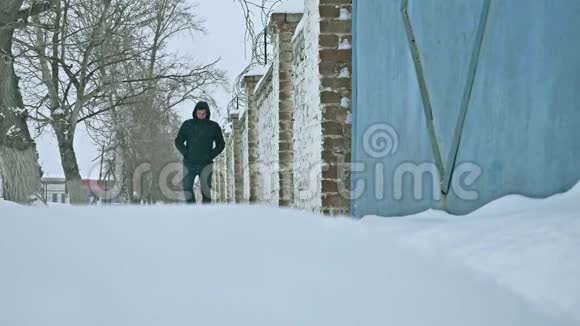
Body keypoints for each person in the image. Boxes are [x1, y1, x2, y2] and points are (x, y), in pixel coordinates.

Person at [175, 101, 225, 204]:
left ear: (207, 113)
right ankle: (192, 210)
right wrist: (186, 153)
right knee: (187, 188)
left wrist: (210, 155)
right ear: (195, 112)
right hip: (189, 163)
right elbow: (178, 142)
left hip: (206, 164)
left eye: (203, 114)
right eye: (199, 114)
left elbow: (221, 145)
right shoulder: (187, 125)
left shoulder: (213, 126)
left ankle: (205, 214)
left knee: (206, 191)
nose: (201, 116)